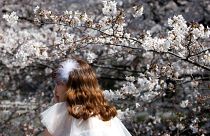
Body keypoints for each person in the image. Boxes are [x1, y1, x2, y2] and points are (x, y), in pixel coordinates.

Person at [40, 58, 132, 136]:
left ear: (72, 87)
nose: (55, 89)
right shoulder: (106, 116)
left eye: (59, 83)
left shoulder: (65, 114)